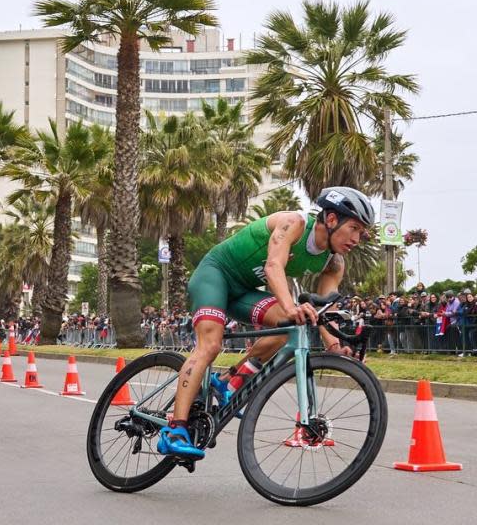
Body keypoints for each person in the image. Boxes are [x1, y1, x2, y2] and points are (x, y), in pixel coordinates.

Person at [157, 187, 375, 459]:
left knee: (291, 326)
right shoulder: (294, 224)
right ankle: (174, 431)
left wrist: (334, 345)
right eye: (353, 228)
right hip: (215, 275)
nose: (357, 239)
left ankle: (228, 380)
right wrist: (290, 306)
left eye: (361, 233)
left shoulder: (334, 263)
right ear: (331, 219)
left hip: (244, 291)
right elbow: (273, 267)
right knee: (210, 346)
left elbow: (321, 308)